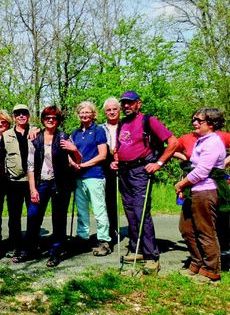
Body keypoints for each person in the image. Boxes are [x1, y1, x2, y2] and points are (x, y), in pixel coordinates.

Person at [110, 91, 178, 275]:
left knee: (141, 213)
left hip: (141, 171)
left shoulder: (148, 120)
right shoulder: (122, 123)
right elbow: (121, 147)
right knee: (130, 212)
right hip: (124, 171)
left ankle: (151, 257)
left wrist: (159, 163)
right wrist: (117, 159)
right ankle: (137, 248)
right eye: (124, 103)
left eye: (130, 103)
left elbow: (173, 142)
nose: (126, 106)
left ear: (138, 103)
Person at [21, 105, 80, 267]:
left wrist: (74, 149)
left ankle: (56, 252)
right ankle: (30, 250)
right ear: (42, 120)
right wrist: (32, 189)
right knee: (33, 216)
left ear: (58, 120)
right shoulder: (36, 138)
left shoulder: (64, 137)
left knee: (59, 219)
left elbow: (77, 162)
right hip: (41, 183)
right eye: (47, 118)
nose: (51, 121)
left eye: (54, 118)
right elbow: (30, 165)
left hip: (60, 183)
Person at [175, 108, 228, 283]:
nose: (194, 123)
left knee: (205, 231)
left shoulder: (213, 142)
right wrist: (185, 186)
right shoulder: (202, 141)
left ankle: (211, 271)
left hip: (206, 190)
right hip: (195, 191)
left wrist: (182, 183)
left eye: (199, 120)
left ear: (211, 124)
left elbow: (202, 172)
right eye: (193, 119)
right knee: (186, 228)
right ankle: (196, 263)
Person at [68, 101, 111, 256]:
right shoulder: (75, 133)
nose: (84, 115)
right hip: (79, 176)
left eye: (88, 112)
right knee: (81, 210)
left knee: (99, 209)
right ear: (78, 115)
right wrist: (73, 163)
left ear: (94, 114)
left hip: (94, 175)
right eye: (82, 112)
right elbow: (70, 152)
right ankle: (82, 237)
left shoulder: (99, 130)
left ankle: (104, 240)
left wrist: (85, 164)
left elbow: (103, 155)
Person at [0, 104, 33, 260]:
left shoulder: (36, 133)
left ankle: (32, 245)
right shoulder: (6, 136)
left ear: (28, 116)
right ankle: (15, 245)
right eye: (18, 114)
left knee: (33, 215)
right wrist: (5, 179)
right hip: (14, 181)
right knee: (14, 216)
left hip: (32, 181)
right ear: (13, 117)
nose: (21, 116)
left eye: (24, 113)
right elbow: (1, 159)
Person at [100, 97, 121, 245]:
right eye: (108, 110)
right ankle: (111, 230)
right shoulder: (100, 128)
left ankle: (135, 233)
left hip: (125, 165)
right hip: (106, 165)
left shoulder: (126, 126)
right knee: (109, 201)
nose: (112, 112)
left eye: (114, 109)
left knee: (128, 202)